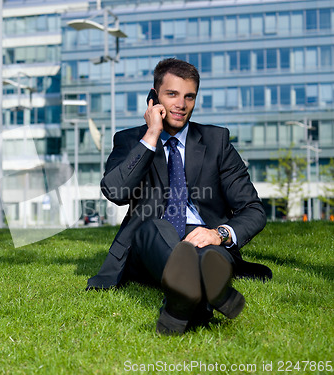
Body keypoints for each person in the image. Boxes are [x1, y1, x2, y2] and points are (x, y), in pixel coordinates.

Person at [87, 58, 272, 335]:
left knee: (209, 253)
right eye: (171, 94)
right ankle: (217, 293)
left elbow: (253, 209)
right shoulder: (129, 141)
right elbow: (115, 191)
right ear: (154, 97)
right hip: (150, 239)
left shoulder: (216, 141)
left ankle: (182, 305)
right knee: (155, 226)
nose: (181, 105)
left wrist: (219, 233)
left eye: (189, 97)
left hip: (203, 237)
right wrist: (151, 136)